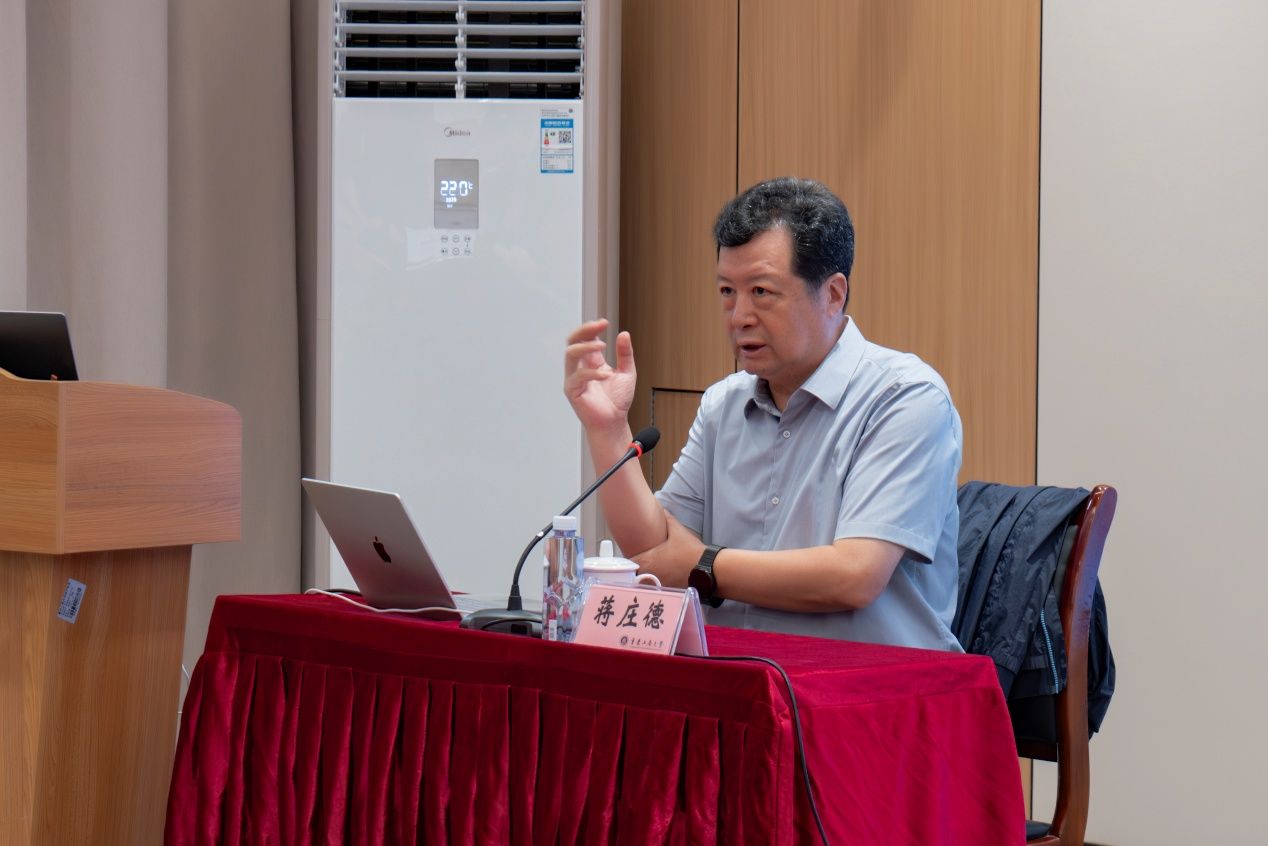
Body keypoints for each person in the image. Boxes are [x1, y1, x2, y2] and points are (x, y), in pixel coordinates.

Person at [564, 177, 963, 650]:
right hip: (743, 678)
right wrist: (609, 429)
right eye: (727, 291)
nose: (739, 317)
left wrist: (703, 565)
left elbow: (855, 575)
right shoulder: (723, 404)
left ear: (833, 294)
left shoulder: (904, 398)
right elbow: (653, 550)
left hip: (870, 684)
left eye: (761, 291)